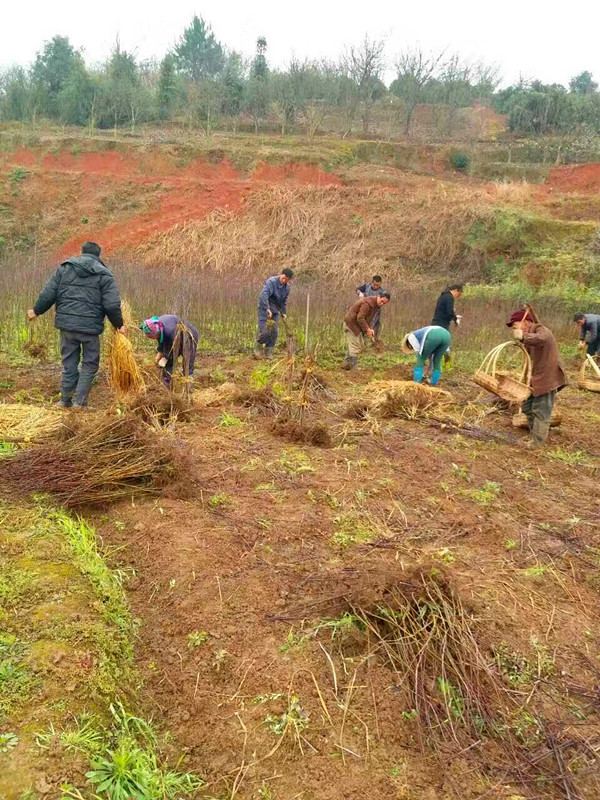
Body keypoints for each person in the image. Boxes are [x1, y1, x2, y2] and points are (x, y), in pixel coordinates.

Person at [27, 241, 124, 409]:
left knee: (69, 363)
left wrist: (36, 311)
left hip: (67, 326)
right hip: (90, 328)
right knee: (90, 363)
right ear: (98, 255)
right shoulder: (105, 274)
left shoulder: (64, 268)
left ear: (82, 252)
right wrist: (119, 325)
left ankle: (65, 400)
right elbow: (111, 305)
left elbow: (48, 293)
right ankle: (80, 403)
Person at [508, 309, 567, 447]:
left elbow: (542, 339)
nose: (514, 328)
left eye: (515, 325)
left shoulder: (541, 330)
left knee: (541, 411)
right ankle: (536, 434)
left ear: (526, 322)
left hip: (547, 378)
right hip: (537, 377)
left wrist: (524, 337)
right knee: (527, 407)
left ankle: (537, 443)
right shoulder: (531, 334)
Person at [140, 315, 198, 387]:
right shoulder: (156, 326)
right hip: (173, 337)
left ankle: (188, 383)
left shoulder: (169, 331)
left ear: (157, 332)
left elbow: (171, 348)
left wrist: (165, 357)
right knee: (168, 361)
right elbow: (162, 342)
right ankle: (166, 382)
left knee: (187, 360)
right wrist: (159, 354)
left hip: (188, 337)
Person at [343, 293, 391, 369]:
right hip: (351, 324)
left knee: (357, 344)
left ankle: (346, 364)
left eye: (384, 303)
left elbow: (368, 319)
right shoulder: (368, 303)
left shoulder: (375, 305)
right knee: (355, 345)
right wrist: (367, 329)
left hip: (356, 325)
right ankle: (353, 367)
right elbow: (360, 318)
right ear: (378, 296)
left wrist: (370, 329)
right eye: (381, 301)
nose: (382, 304)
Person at [254, 269, 294, 360]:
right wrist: (267, 308)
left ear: (289, 280)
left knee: (274, 332)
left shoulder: (287, 288)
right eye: (283, 278)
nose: (284, 281)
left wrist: (284, 313)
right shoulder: (271, 281)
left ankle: (268, 351)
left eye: (286, 280)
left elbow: (283, 302)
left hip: (275, 309)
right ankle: (258, 349)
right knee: (265, 330)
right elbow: (264, 294)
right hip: (265, 307)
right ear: (281, 275)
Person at [356, 275, 387, 343]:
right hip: (365, 310)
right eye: (374, 285)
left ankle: (374, 342)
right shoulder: (367, 286)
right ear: (372, 282)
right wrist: (360, 293)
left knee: (375, 326)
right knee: (363, 325)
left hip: (375, 312)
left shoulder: (382, 291)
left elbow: (385, 300)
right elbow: (358, 289)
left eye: (377, 285)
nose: (375, 287)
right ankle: (363, 343)